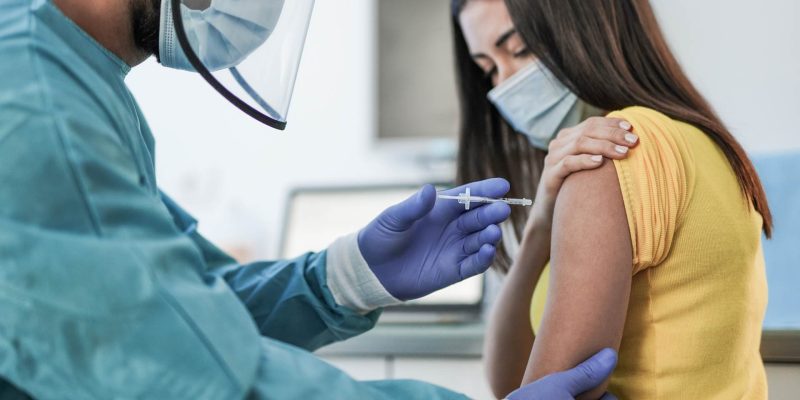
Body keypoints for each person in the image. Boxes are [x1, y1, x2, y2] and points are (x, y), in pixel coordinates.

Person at [0, 0, 618, 398]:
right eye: (489, 65)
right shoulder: (35, 98)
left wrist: (347, 277)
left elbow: (192, 305)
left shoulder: (72, 78)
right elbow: (200, 377)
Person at [450, 0, 773, 399]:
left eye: (519, 50)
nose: (505, 84)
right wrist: (539, 224)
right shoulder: (707, 141)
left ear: (588, 23)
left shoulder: (611, 152)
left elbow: (540, 390)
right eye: (488, 69)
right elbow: (512, 385)